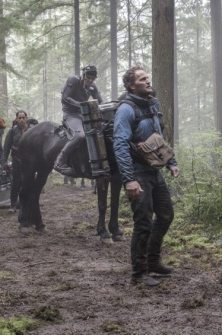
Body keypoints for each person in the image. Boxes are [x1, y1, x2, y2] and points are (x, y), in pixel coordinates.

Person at [113, 66, 180, 286]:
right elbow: (120, 144)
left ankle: (153, 262)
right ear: (132, 85)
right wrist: (129, 179)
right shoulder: (126, 109)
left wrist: (170, 161)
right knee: (143, 223)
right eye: (142, 79)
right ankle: (139, 273)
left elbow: (158, 137)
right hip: (137, 173)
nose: (148, 81)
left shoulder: (151, 105)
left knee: (166, 215)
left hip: (154, 170)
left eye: (148, 77)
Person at [54, 65, 104, 176]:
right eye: (88, 77)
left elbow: (100, 101)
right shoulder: (73, 80)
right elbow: (65, 98)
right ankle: (59, 161)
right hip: (70, 114)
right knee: (80, 135)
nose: (90, 80)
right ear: (83, 75)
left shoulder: (92, 86)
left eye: (92, 78)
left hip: (84, 115)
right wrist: (81, 105)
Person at [3, 110, 36, 212]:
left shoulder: (33, 130)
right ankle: (13, 205)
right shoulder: (13, 131)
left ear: (26, 118)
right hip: (16, 160)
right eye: (19, 118)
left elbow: (37, 146)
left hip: (30, 161)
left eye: (23, 118)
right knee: (15, 182)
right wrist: (4, 161)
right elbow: (6, 146)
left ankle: (30, 205)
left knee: (30, 182)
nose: (21, 120)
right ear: (16, 119)